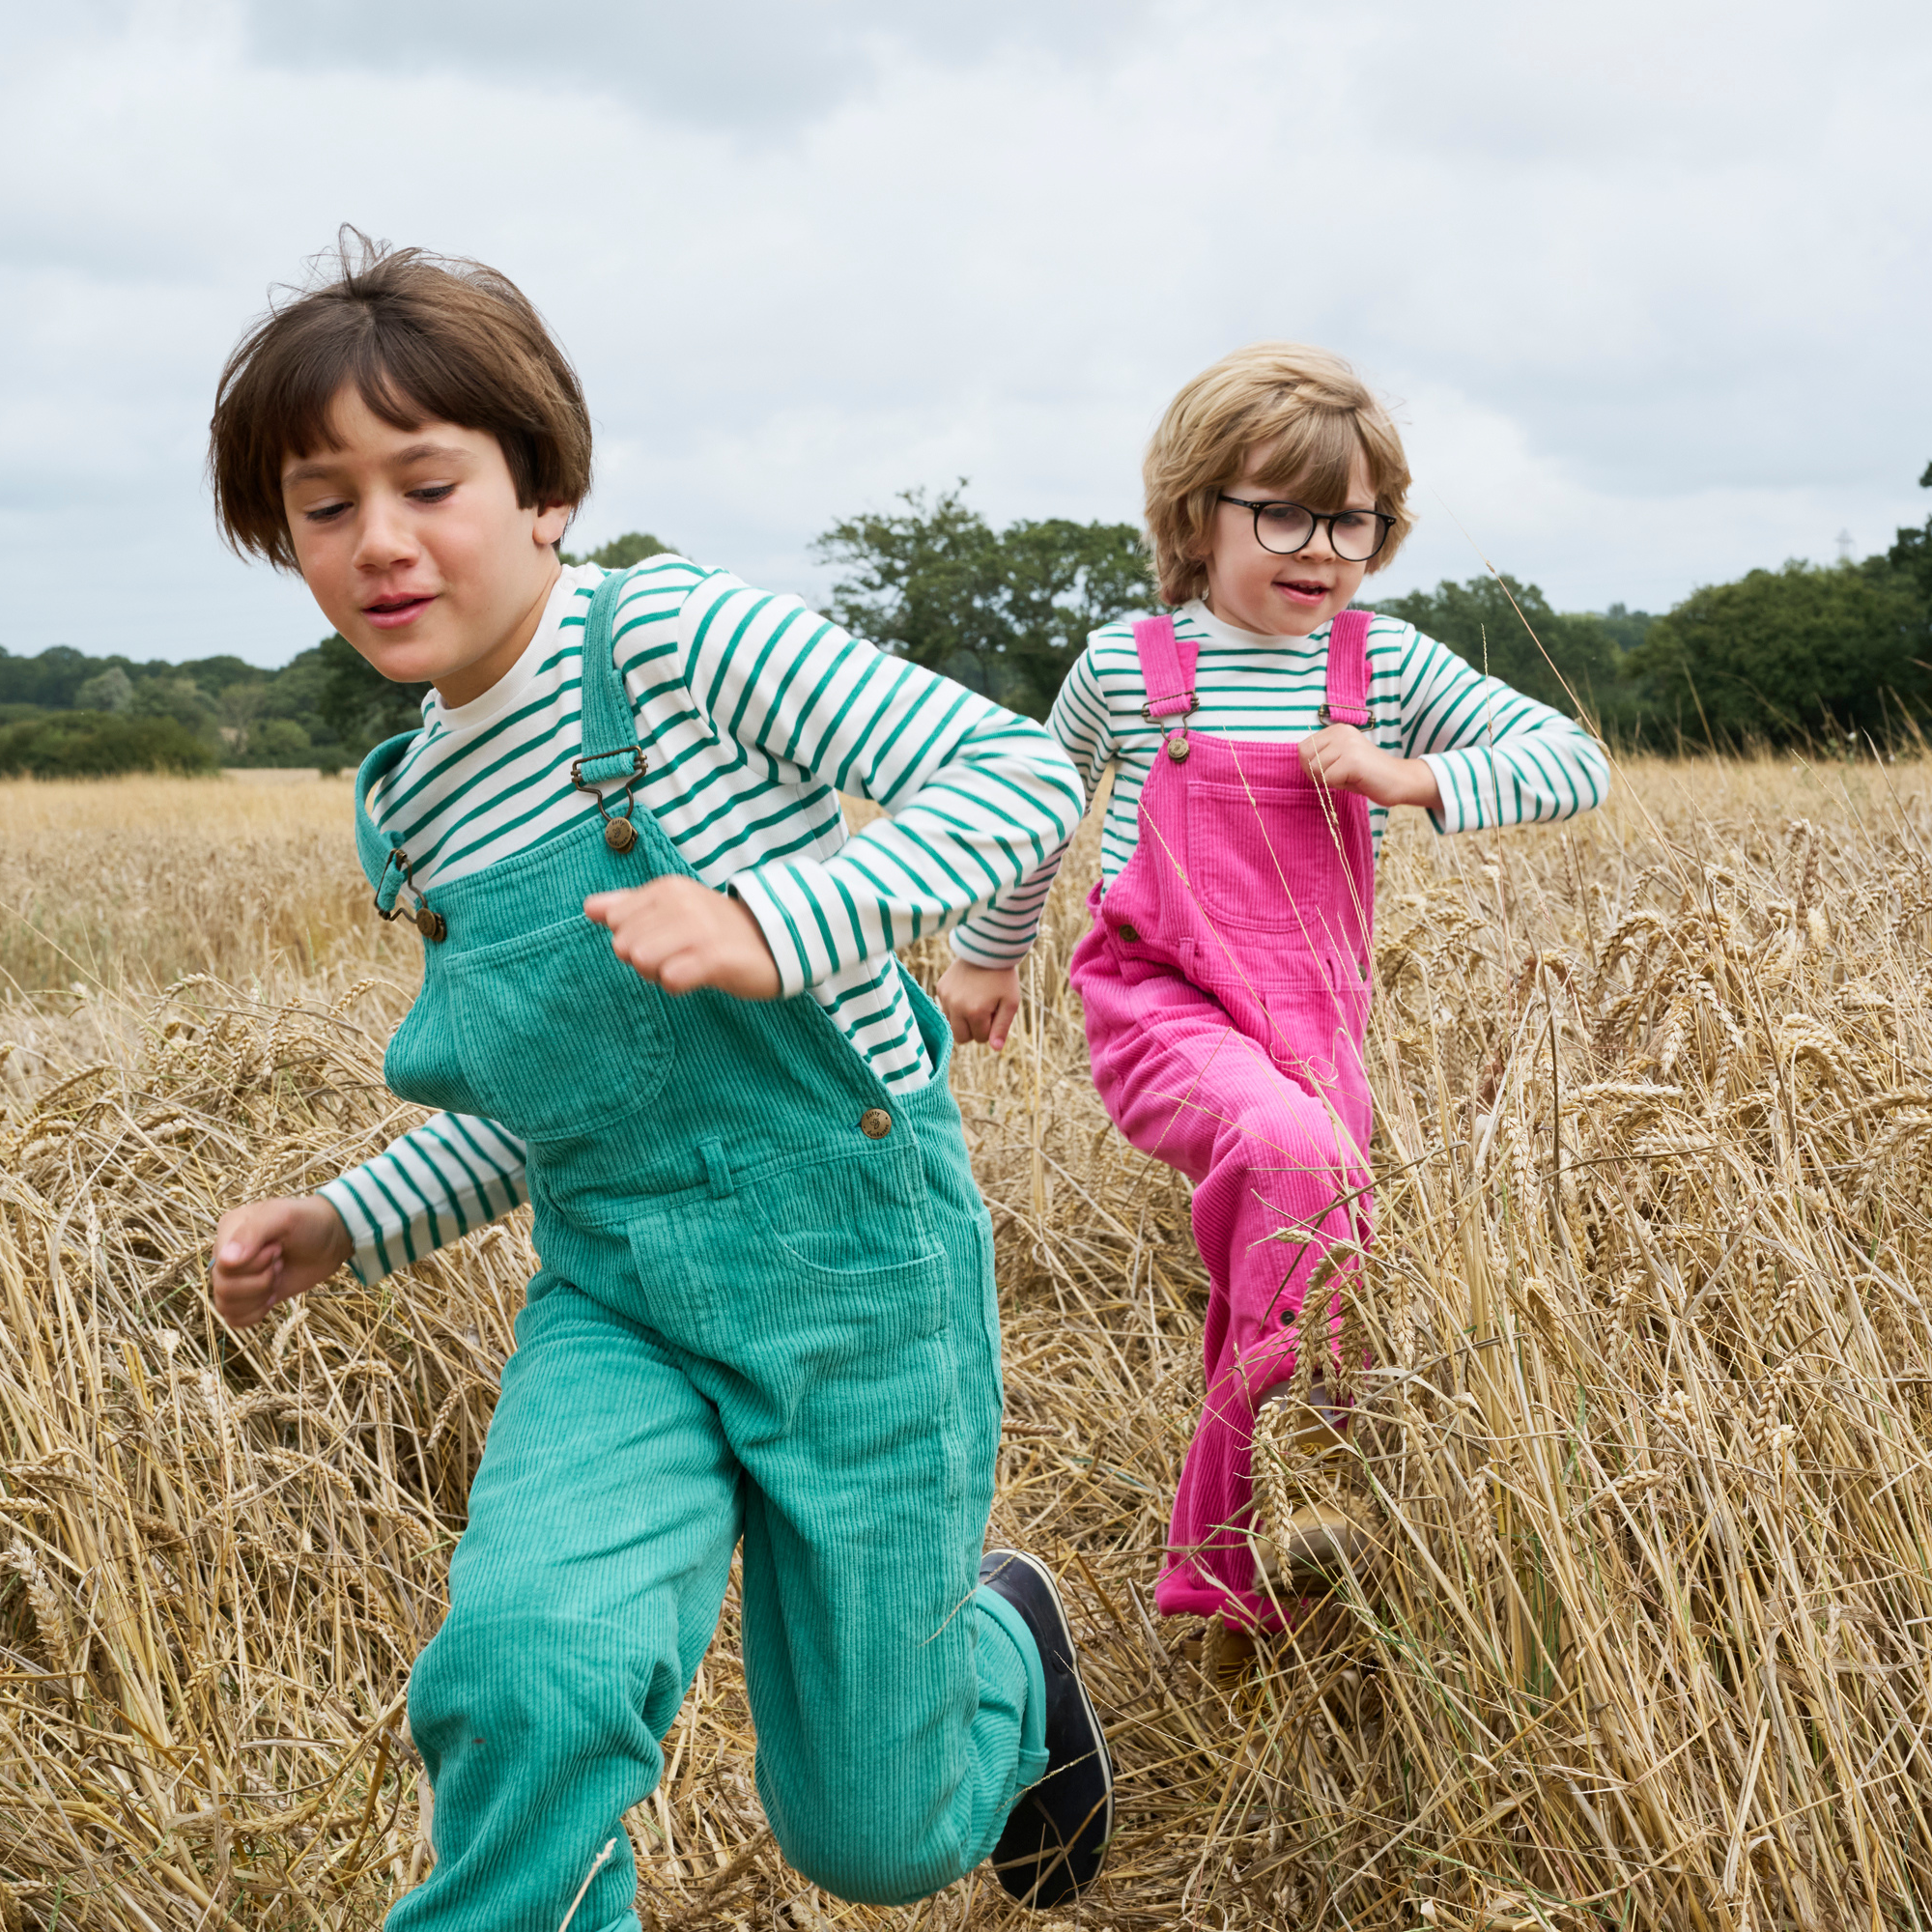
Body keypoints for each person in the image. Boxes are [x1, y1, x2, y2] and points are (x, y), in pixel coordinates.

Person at [205, 236, 1113, 1928]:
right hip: (616, 1298)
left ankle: (1000, 1651)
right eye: (324, 507)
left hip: (857, 1279)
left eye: (427, 481)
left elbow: (1012, 775)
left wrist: (781, 916)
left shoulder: (672, 640)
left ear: (541, 487)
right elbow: (551, 1104)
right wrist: (351, 1219)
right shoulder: (409, 809)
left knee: (878, 1840)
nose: (382, 541)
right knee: (526, 1672)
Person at [938, 342, 1609, 1643]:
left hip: (1316, 1025)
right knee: (1295, 1159)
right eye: (1284, 514)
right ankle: (1237, 1546)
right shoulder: (1129, 668)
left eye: (1352, 520)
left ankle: (1291, 1543)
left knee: (1317, 1264)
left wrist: (1411, 778)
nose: (1322, 550)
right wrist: (987, 952)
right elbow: (1036, 817)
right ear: (1199, 516)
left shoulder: (1385, 669)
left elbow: (1572, 759)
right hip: (1162, 1009)